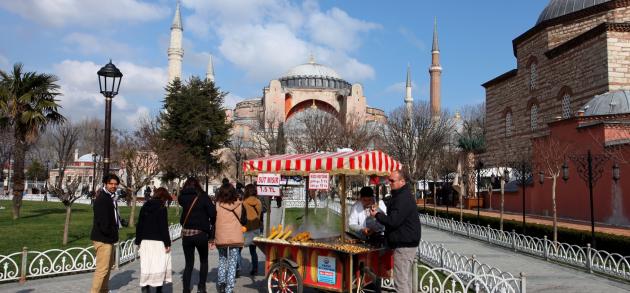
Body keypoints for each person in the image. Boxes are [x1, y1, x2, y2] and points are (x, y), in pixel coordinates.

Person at [370, 170, 421, 293]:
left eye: (392, 180)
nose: (389, 183)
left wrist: (377, 215)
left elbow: (393, 221)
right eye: (389, 180)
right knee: (405, 280)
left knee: (401, 283)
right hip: (406, 243)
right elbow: (393, 206)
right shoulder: (400, 195)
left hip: (404, 245)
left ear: (402, 181)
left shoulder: (403, 198)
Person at [179, 177, 216, 293]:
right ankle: (201, 287)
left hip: (187, 234)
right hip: (200, 233)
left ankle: (186, 289)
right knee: (203, 261)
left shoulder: (182, 197)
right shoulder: (203, 197)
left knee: (189, 263)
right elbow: (213, 214)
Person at [136, 187, 172, 293]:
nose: (166, 202)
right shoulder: (162, 208)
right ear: (163, 198)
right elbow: (163, 227)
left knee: (146, 266)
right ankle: (158, 289)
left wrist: (138, 241)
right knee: (159, 266)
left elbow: (140, 225)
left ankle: (145, 288)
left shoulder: (145, 206)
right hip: (158, 242)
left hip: (145, 241)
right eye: (165, 199)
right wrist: (167, 243)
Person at [90, 174, 122, 293]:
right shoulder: (102, 198)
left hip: (109, 238)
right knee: (102, 270)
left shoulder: (110, 197)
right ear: (105, 184)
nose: (113, 186)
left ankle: (104, 290)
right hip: (103, 238)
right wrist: (111, 234)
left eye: (115, 184)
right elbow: (103, 222)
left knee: (107, 268)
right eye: (111, 184)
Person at [212, 184, 247, 293]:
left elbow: (212, 221)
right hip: (235, 237)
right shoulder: (239, 204)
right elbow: (244, 220)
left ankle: (221, 284)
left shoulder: (217, 205)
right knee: (232, 263)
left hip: (221, 236)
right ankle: (229, 288)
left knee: (222, 260)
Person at [242, 184, 262, 276]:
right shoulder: (258, 202)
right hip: (256, 228)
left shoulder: (244, 202)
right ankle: (255, 269)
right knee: (253, 251)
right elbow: (259, 214)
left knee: (238, 249)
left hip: (246, 228)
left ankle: (237, 268)